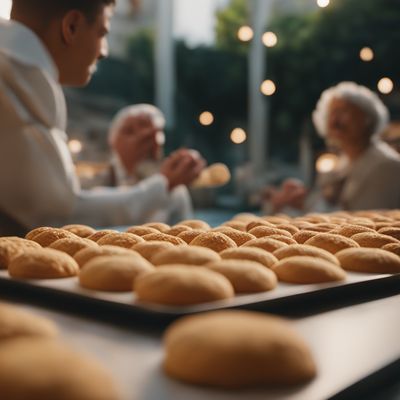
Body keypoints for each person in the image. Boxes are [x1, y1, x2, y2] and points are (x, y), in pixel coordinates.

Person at [0, 0, 205, 235]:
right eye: (102, 33)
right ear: (72, 26)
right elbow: (56, 215)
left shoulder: (21, 77)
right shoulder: (17, 82)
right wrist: (163, 186)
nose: (104, 52)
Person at [263, 81, 400, 214]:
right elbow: (327, 213)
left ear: (367, 119)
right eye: (332, 112)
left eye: (344, 111)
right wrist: (294, 203)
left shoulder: (387, 166)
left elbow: (369, 220)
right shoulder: (341, 164)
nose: (335, 121)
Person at [106, 104, 194, 224]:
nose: (143, 139)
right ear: (113, 140)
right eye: (130, 131)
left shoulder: (175, 191)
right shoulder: (91, 183)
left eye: (154, 134)